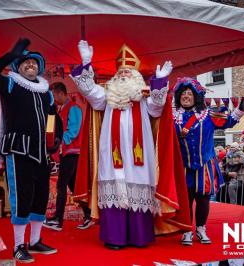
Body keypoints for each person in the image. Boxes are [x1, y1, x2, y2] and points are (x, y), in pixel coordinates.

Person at [70, 40, 181, 249]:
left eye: (128, 72)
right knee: (115, 186)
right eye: (120, 72)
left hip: (140, 155)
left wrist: (161, 80)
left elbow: (158, 107)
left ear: (137, 77)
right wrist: (85, 63)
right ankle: (115, 238)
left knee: (138, 187)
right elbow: (89, 91)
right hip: (112, 155)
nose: (123, 75)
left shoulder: (144, 97)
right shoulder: (106, 95)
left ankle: (139, 237)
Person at [0, 38, 59, 263]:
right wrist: (10, 55)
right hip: (18, 151)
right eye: (25, 62)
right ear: (18, 66)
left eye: (34, 63)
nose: (30, 66)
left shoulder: (47, 92)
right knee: (22, 198)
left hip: (42, 153)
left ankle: (35, 241)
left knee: (40, 198)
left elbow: (52, 119)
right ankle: (19, 245)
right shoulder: (10, 84)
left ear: (40, 67)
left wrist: (54, 140)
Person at [172, 77, 244, 245]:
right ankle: (186, 230)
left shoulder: (208, 115)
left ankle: (201, 228)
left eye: (189, 93)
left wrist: (241, 110)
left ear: (196, 96)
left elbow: (228, 122)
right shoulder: (172, 117)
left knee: (203, 199)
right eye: (183, 94)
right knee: (186, 199)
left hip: (205, 165)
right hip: (183, 166)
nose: (186, 96)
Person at [44, 82, 93, 231]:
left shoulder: (74, 108)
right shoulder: (61, 110)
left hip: (73, 152)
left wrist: (59, 141)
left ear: (60, 93)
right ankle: (89, 215)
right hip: (67, 152)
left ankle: (58, 220)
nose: (53, 99)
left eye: (53, 95)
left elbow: (74, 130)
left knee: (61, 185)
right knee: (74, 187)